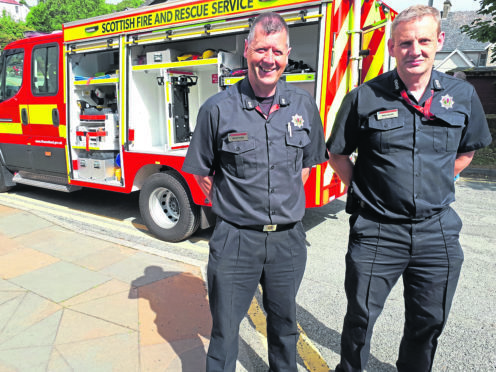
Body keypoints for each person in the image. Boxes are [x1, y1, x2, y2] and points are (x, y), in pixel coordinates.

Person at [326, 5, 492, 372]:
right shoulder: (364, 97)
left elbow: (466, 152)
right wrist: (366, 190)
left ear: (439, 42)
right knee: (360, 318)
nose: (414, 49)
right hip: (377, 232)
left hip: (437, 232)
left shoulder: (460, 95)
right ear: (391, 46)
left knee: (428, 322)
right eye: (405, 42)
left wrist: (434, 181)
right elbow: (337, 154)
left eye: (423, 41)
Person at [182, 12, 328, 372]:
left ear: (287, 53)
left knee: (284, 328)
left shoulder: (303, 105)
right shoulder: (217, 109)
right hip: (235, 240)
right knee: (226, 331)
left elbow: (305, 168)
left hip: (288, 242)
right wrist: (238, 209)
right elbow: (203, 174)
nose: (269, 59)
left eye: (276, 51)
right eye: (261, 49)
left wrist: (280, 206)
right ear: (247, 50)